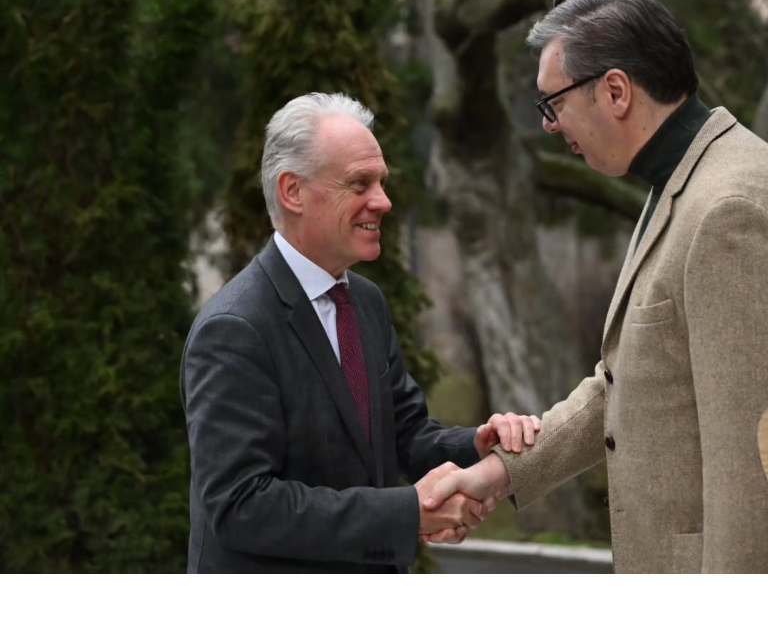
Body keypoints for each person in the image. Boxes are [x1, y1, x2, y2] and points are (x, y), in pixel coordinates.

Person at [423, 0, 768, 574]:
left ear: (615, 90)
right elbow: (626, 381)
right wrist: (498, 473)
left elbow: (760, 482)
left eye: (553, 102)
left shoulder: (733, 212)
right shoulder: (685, 183)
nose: (548, 124)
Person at [180, 92, 539, 573]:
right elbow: (242, 505)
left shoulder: (365, 302)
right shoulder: (234, 330)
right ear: (292, 191)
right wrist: (409, 513)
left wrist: (477, 442)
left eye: (382, 182)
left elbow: (403, 433)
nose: (383, 201)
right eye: (359, 183)